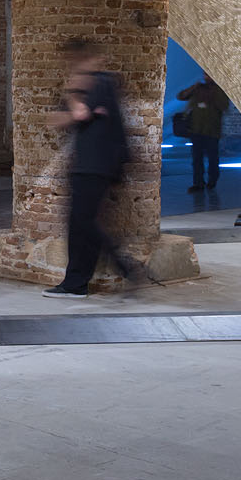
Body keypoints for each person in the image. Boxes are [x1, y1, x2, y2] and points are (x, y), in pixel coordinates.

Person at [44, 38, 145, 298]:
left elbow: (77, 115)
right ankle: (76, 283)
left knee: (84, 222)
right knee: (79, 225)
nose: (70, 65)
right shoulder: (90, 86)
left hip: (96, 165)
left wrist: (71, 95)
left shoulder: (100, 83)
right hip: (86, 164)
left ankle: (123, 266)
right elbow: (58, 119)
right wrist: (74, 109)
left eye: (73, 60)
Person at [176, 75, 231, 192]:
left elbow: (224, 106)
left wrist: (211, 98)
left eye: (209, 74)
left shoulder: (219, 90)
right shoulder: (198, 88)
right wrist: (193, 87)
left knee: (212, 158)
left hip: (212, 130)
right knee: (197, 159)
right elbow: (181, 96)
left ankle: (212, 181)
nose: (206, 77)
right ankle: (198, 183)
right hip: (196, 130)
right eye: (205, 74)